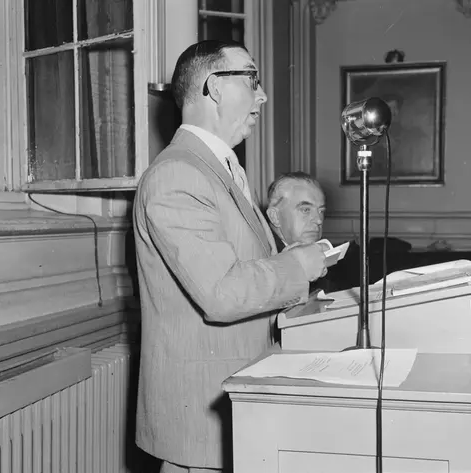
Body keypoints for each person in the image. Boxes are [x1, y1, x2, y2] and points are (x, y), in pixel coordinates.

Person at [133, 40, 327, 473]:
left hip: (235, 397)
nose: (262, 95)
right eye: (252, 79)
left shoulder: (219, 168)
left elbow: (243, 269)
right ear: (215, 87)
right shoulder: (178, 174)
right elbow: (221, 293)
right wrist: (296, 266)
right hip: (202, 414)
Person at [265, 171, 326, 252]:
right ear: (275, 217)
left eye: (321, 211)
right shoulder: (261, 254)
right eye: (306, 210)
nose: (319, 220)